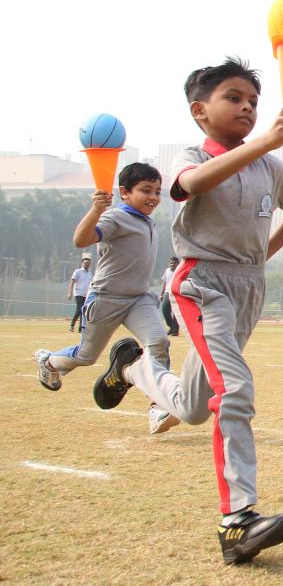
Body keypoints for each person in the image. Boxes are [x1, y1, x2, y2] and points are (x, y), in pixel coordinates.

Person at [92, 58, 283, 565]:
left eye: (253, 102)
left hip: (247, 287)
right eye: (234, 98)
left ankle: (131, 366)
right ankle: (237, 521)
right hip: (201, 284)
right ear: (200, 110)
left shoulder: (270, 166)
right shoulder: (193, 156)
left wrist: (259, 260)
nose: (248, 108)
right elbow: (189, 185)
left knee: (192, 407)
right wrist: (265, 142)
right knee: (233, 388)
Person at [33, 164, 172, 434]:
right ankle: (49, 361)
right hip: (107, 298)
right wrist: (97, 209)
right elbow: (81, 239)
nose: (153, 197)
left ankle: (158, 406)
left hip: (139, 299)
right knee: (87, 356)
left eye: (157, 191)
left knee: (158, 342)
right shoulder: (116, 217)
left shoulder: (148, 220)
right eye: (146, 190)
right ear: (125, 192)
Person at [66, 255, 93, 332]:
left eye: (88, 263)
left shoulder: (90, 273)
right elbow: (72, 282)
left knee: (84, 311)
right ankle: (72, 325)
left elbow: (91, 284)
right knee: (79, 309)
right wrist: (69, 292)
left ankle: (81, 328)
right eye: (85, 263)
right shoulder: (77, 271)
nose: (87, 264)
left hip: (86, 294)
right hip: (78, 293)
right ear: (82, 263)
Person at [160, 256, 180, 336]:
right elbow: (164, 283)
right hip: (167, 293)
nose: (172, 264)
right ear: (169, 264)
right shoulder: (167, 271)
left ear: (178, 264)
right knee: (164, 310)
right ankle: (171, 327)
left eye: (174, 263)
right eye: (171, 263)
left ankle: (175, 330)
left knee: (176, 312)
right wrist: (161, 294)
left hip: (177, 293)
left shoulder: (180, 271)